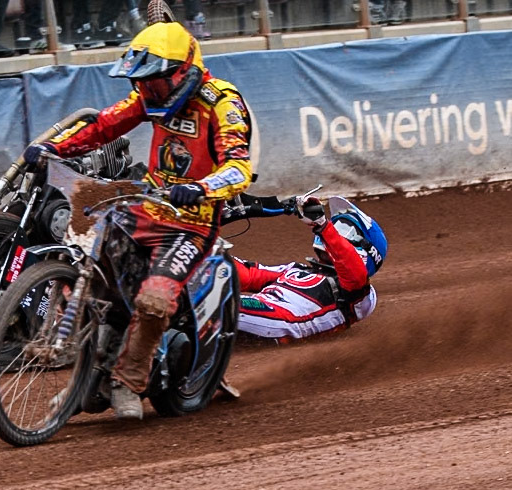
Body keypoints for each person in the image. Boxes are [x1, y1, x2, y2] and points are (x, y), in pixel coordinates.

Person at [23, 21, 253, 419]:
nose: (148, 91)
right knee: (93, 264)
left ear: (183, 73)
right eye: (142, 83)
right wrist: (53, 148)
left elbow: (239, 168)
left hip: (190, 225)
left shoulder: (221, 103)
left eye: (155, 83)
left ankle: (126, 382)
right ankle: (88, 373)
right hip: (145, 210)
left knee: (154, 300)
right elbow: (103, 125)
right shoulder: (150, 97)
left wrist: (200, 188)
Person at [229, 195, 388, 342]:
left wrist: (324, 226)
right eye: (335, 227)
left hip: (281, 319)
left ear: (368, 251)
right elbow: (249, 275)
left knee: (220, 305)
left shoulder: (361, 293)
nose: (336, 232)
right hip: (256, 307)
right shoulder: (296, 269)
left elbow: (353, 269)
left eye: (344, 231)